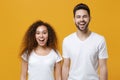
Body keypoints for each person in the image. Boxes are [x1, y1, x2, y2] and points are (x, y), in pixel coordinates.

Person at [62, 3, 108, 80]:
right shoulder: (67, 40)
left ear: (90, 18)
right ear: (74, 19)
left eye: (85, 16)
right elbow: (65, 66)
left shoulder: (100, 40)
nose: (81, 20)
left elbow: (103, 67)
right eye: (78, 17)